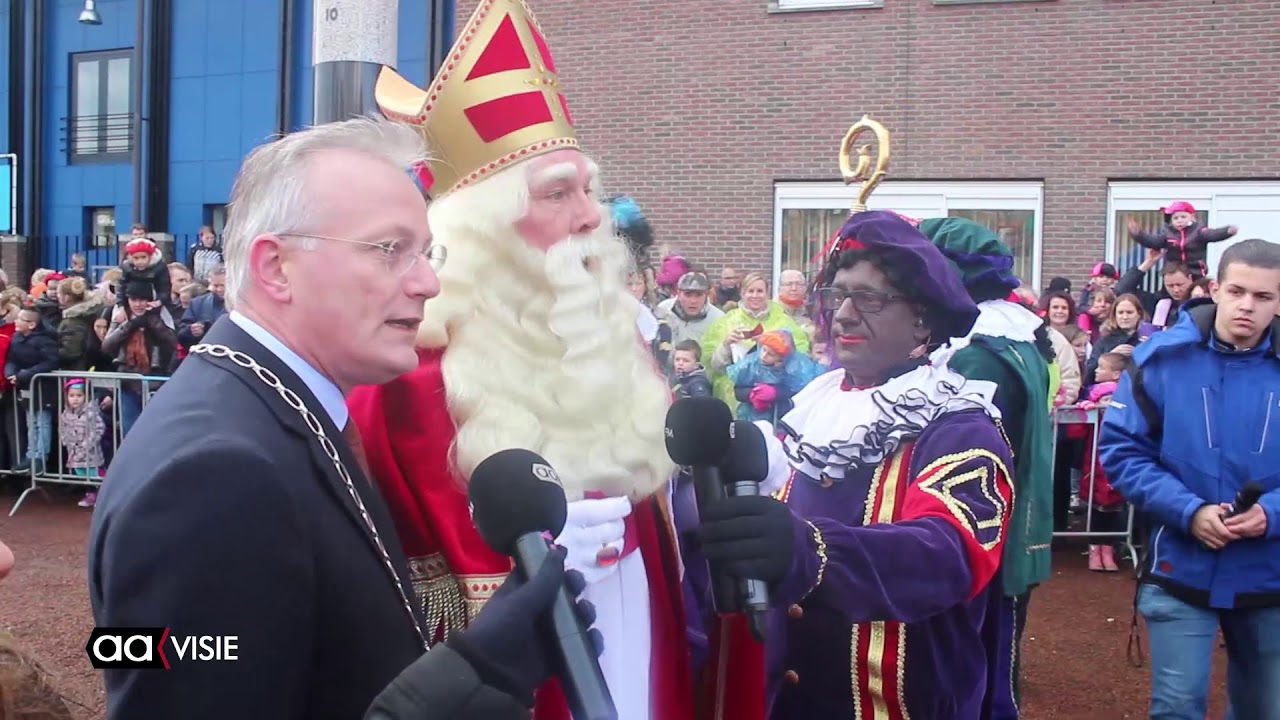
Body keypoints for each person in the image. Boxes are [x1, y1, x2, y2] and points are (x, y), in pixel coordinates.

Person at [86, 116, 595, 720]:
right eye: (390, 250)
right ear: (276, 267)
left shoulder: (276, 411)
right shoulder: (214, 475)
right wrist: (469, 684)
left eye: (426, 253)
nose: (428, 282)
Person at [358, 3, 694, 718]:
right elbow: (403, 598)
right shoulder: (412, 376)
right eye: (558, 194)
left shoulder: (614, 335)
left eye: (587, 190)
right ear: (486, 225)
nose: (590, 216)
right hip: (526, 667)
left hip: (636, 626)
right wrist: (533, 561)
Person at [694, 211, 1016, 719]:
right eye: (837, 296)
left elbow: (948, 556)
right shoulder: (816, 411)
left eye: (869, 299)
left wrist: (811, 551)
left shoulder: (960, 428)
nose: (843, 315)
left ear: (922, 319)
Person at [1101, 238, 1280, 720]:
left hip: (1270, 574)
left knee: (1266, 709)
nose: (1247, 305)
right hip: (1182, 565)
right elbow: (1122, 451)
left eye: (1263, 296)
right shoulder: (1159, 360)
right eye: (1237, 291)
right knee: (1177, 709)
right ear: (1215, 289)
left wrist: (1272, 513)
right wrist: (1189, 511)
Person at [918, 215, 1054, 711]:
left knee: (975, 666)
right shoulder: (1014, 338)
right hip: (1007, 520)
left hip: (980, 532)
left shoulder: (976, 355)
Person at [1126, 201, 1238, 279]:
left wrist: (1227, 231)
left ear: (1192, 217)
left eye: (1183, 217)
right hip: (1174, 272)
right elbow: (1152, 241)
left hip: (1195, 272)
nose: (1179, 220)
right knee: (1166, 296)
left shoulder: (1199, 231)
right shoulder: (1167, 234)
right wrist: (1138, 234)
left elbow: (1213, 234)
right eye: (1176, 218)